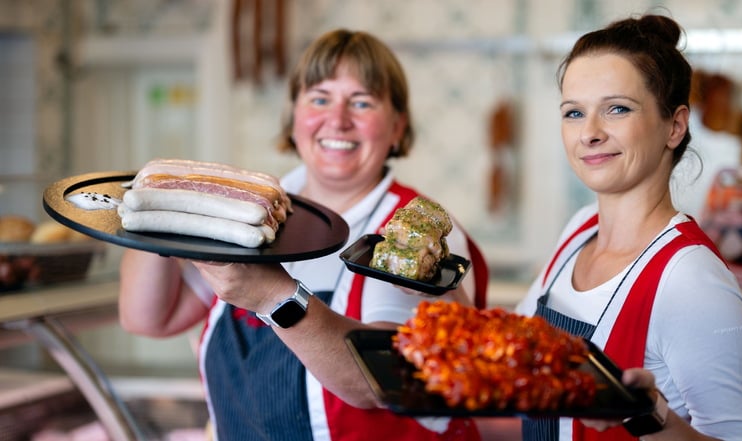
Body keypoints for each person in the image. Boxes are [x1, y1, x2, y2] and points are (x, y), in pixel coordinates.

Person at [118, 29, 488, 441]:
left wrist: (275, 298)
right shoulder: (256, 214)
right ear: (293, 118)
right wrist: (164, 201)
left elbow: (383, 381)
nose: (338, 119)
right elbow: (148, 318)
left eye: (362, 102)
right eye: (319, 98)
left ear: (397, 127)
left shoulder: (416, 237)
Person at [514, 13, 742, 440]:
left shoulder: (689, 277)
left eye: (617, 109)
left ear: (675, 125)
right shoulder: (578, 232)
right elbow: (510, 356)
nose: (589, 133)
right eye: (574, 112)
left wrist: (650, 415)